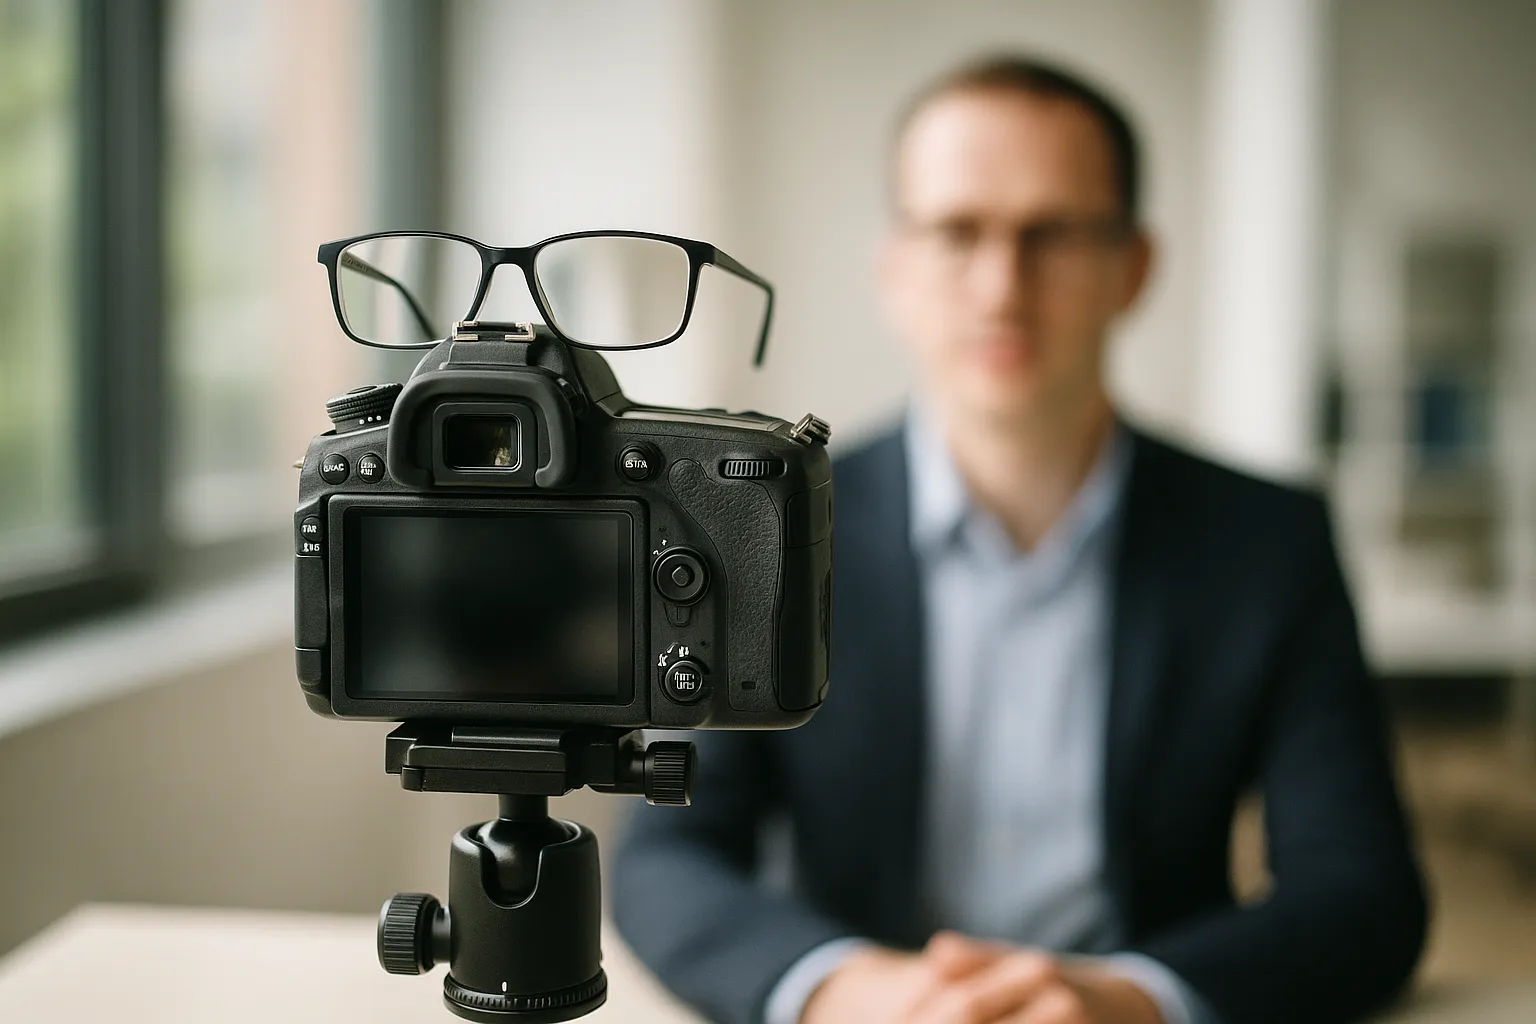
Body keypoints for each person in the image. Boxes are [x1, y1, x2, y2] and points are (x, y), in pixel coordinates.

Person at [612, 55, 1428, 1024]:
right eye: (958, 231)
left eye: (1054, 234)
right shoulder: (756, 529)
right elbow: (666, 853)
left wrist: (1136, 998)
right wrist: (844, 988)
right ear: (895, 267)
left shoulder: (1268, 541)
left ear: (1135, 267)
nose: (1002, 285)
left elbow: (1362, 887)